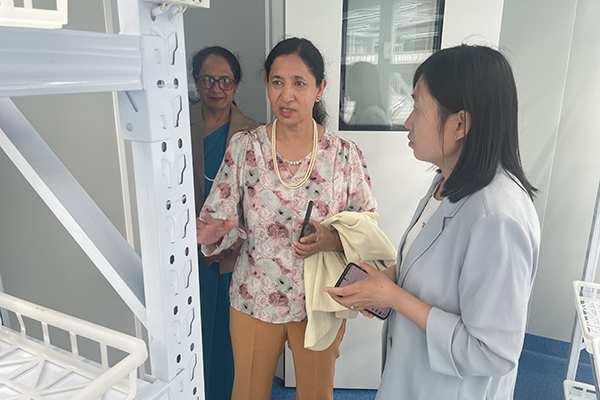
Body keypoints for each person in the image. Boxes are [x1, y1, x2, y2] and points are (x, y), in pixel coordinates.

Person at [325, 44, 541, 400]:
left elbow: (492, 351)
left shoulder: (497, 218)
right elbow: (434, 266)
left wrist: (393, 297)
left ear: (460, 124)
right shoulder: (446, 181)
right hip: (412, 373)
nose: (407, 121)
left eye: (417, 107)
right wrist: (383, 282)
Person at [196, 37, 377, 400]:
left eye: (299, 83)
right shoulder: (245, 147)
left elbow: (366, 227)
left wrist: (330, 239)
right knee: (248, 392)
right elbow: (221, 220)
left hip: (320, 301)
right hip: (254, 296)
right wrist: (215, 235)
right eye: (277, 82)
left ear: (320, 88)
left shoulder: (344, 155)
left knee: (316, 393)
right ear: (266, 84)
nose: (287, 95)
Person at [189, 46, 260, 400]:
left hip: (232, 254)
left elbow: (258, 204)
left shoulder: (255, 134)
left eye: (225, 81)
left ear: (237, 84)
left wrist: (227, 243)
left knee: (228, 340)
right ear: (196, 82)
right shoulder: (174, 125)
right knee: (190, 333)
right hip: (185, 249)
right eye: (207, 79)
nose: (216, 88)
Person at [345, 61, 391, 129]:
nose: (347, 86)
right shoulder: (361, 111)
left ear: (363, 85)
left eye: (350, 81)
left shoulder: (371, 116)